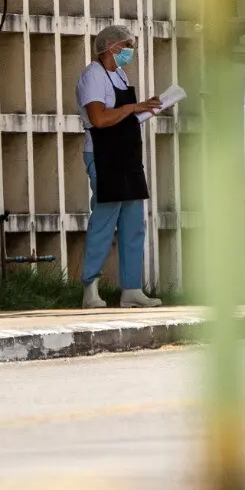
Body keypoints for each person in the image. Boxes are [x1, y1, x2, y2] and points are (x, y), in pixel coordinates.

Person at [77, 24, 162, 308]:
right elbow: (99, 119)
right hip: (103, 155)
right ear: (112, 47)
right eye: (128, 45)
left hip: (126, 155)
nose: (131, 50)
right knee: (103, 220)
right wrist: (131, 108)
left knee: (134, 223)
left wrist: (145, 109)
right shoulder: (93, 75)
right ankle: (90, 288)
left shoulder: (120, 74)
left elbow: (123, 116)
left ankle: (132, 288)